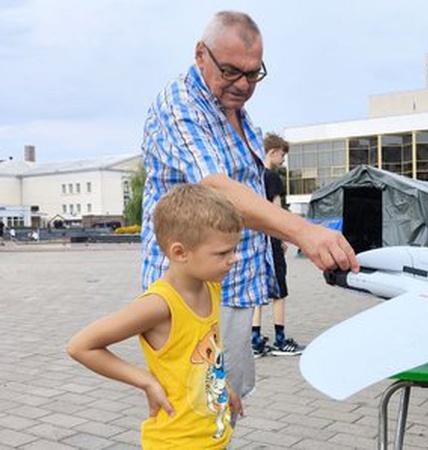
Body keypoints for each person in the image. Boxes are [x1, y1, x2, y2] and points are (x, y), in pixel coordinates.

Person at [139, 11, 358, 406]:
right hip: (189, 297)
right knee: (191, 414)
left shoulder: (236, 112)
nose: (242, 84)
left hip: (233, 289)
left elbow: (248, 191)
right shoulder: (180, 106)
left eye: (253, 74)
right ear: (200, 54)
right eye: (231, 71)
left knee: (223, 407)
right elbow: (216, 187)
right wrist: (303, 230)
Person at [68, 184, 244, 449]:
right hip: (175, 442)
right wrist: (146, 381)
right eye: (223, 253)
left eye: (234, 249)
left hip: (212, 436)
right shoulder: (160, 305)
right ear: (180, 253)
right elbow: (81, 346)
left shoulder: (212, 286)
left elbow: (204, 355)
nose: (235, 259)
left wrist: (223, 386)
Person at [251, 133, 304, 357]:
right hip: (271, 239)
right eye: (282, 154)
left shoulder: (251, 176)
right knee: (279, 290)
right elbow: (277, 212)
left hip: (254, 238)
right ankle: (281, 341)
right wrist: (283, 238)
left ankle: (254, 341)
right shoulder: (272, 177)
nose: (283, 159)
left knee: (258, 290)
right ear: (273, 152)